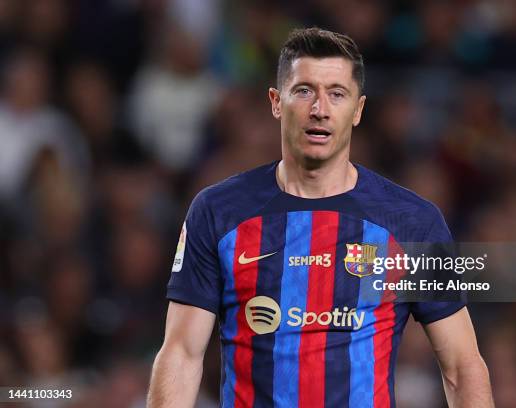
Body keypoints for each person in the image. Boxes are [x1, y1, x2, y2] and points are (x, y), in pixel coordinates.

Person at [147, 27, 494, 408]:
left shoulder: (411, 222)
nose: (319, 109)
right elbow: (181, 353)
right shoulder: (218, 212)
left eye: (336, 93)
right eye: (304, 90)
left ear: (358, 110)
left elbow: (462, 367)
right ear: (276, 102)